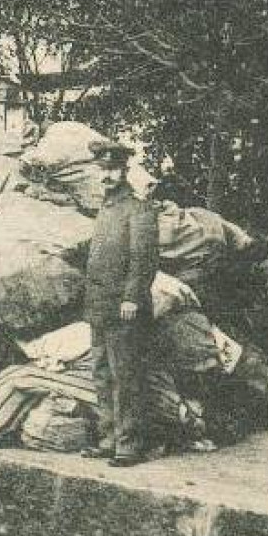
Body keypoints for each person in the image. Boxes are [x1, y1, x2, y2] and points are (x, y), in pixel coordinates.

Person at [82, 140, 164, 467]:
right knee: (101, 373)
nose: (106, 175)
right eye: (102, 170)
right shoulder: (105, 209)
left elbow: (143, 258)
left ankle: (130, 444)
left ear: (124, 170)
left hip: (124, 308)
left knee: (126, 376)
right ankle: (108, 438)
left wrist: (132, 296)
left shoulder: (138, 208)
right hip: (100, 306)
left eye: (112, 169)